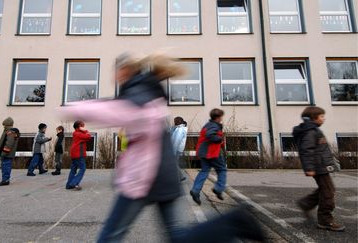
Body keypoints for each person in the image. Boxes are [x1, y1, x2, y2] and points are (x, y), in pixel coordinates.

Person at [57, 53, 264, 243]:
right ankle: (232, 224)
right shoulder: (149, 89)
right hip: (162, 174)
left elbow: (116, 111)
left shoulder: (138, 92)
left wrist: (73, 107)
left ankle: (233, 223)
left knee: (110, 235)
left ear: (124, 71)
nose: (115, 77)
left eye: (116, 71)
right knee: (177, 237)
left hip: (143, 176)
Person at [293, 106, 345, 232]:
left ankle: (306, 203)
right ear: (313, 118)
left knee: (325, 189)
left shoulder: (314, 130)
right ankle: (325, 220)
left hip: (321, 166)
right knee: (328, 192)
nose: (324, 119)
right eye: (321, 116)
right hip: (319, 167)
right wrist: (309, 168)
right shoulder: (311, 132)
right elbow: (307, 150)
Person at [190, 109, 227, 205]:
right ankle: (218, 189)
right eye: (221, 117)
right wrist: (219, 139)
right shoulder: (214, 125)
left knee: (204, 171)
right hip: (212, 152)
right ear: (218, 117)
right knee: (222, 170)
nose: (221, 118)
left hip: (203, 153)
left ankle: (195, 190)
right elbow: (210, 135)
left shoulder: (207, 125)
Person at [0, 117, 20, 186]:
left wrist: (4, 153)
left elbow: (9, 144)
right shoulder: (10, 132)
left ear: (7, 125)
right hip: (8, 154)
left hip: (7, 154)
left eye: (4, 125)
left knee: (6, 166)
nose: (4, 127)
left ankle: (5, 180)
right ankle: (5, 179)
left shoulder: (10, 133)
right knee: (6, 166)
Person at [66, 121, 91, 190]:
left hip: (75, 153)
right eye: (83, 125)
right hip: (79, 153)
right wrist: (85, 131)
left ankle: (68, 185)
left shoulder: (76, 133)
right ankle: (74, 183)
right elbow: (88, 136)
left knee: (73, 169)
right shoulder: (78, 133)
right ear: (79, 126)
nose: (84, 126)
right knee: (82, 168)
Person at [171, 116, 188, 181]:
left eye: (175, 121)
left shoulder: (180, 129)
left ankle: (181, 176)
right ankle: (179, 177)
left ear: (177, 121)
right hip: (178, 148)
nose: (174, 122)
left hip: (176, 149)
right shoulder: (178, 128)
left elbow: (177, 140)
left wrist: (173, 150)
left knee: (174, 162)